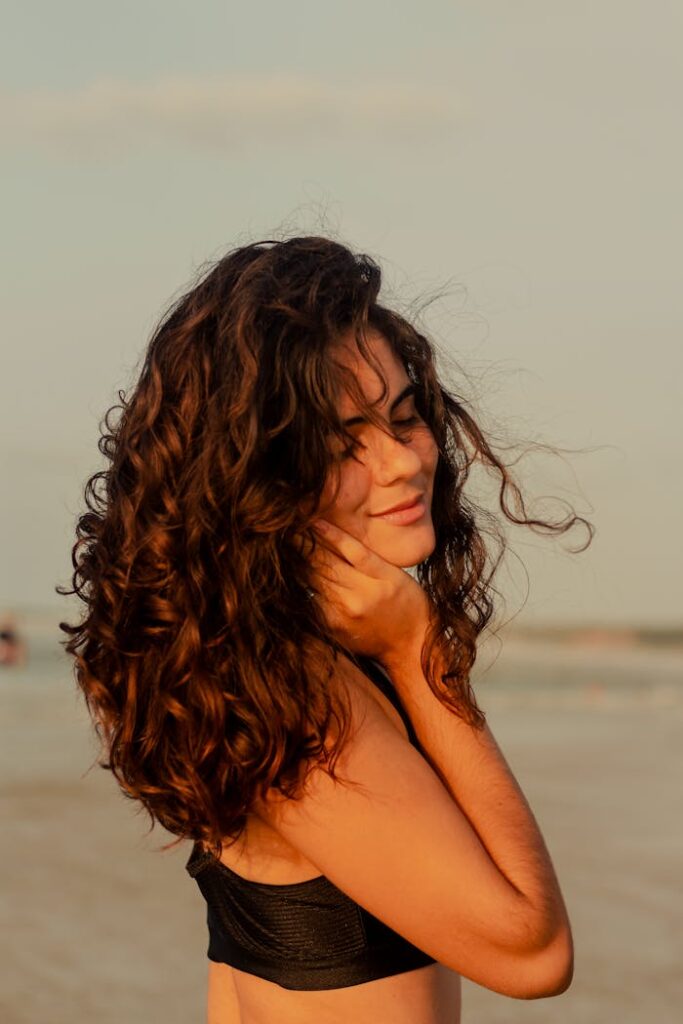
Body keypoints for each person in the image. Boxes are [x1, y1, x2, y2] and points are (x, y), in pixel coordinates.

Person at [58, 235, 592, 1024]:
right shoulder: (295, 694)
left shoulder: (243, 660)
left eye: (403, 418)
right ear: (252, 467)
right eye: (341, 440)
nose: (402, 462)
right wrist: (418, 657)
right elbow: (533, 954)